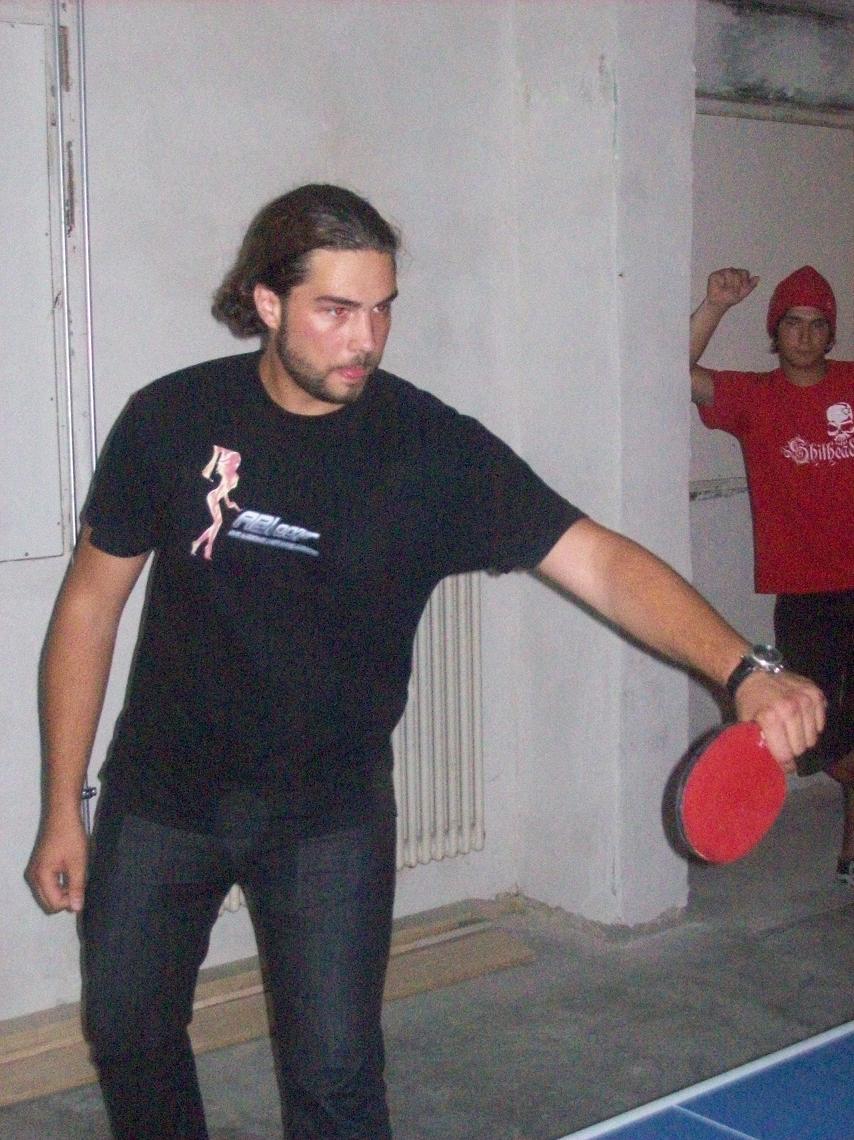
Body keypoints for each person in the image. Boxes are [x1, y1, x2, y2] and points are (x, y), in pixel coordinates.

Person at [26, 186, 825, 1140]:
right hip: (162, 796)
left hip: (326, 814)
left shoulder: (428, 450)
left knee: (335, 1081)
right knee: (127, 1032)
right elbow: (89, 605)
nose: (366, 339)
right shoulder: (170, 418)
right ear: (268, 302)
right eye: (336, 310)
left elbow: (600, 562)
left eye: (382, 309)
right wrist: (62, 803)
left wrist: (745, 669)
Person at [690, 264, 854, 885]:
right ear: (775, 331)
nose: (806, 335)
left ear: (831, 333)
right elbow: (669, 371)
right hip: (806, 590)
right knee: (813, 734)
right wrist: (715, 305)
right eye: (793, 323)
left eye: (817, 324)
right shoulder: (754, 397)